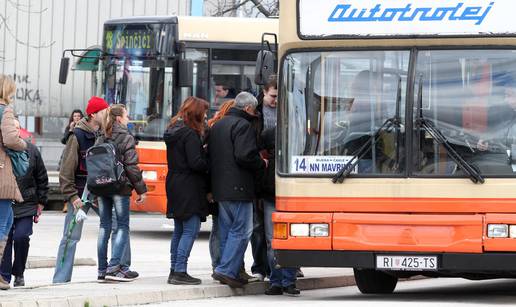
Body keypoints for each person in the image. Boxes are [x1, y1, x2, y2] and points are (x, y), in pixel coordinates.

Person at [53, 96, 135, 283]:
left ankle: (121, 268)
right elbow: (66, 171)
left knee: (119, 226)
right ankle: (60, 280)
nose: (107, 113)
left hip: (103, 192)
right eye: (103, 110)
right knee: (70, 237)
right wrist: (73, 197)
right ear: (93, 114)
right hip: (81, 195)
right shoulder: (77, 136)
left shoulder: (105, 133)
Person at [208, 92, 266, 288]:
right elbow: (245, 155)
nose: (255, 113)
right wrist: (261, 163)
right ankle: (226, 270)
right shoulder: (243, 125)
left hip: (220, 187)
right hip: (239, 187)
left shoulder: (218, 124)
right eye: (254, 109)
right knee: (242, 230)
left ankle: (224, 269)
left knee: (226, 230)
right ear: (248, 108)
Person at [96, 104, 147, 282]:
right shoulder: (126, 136)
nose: (128, 119)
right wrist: (141, 189)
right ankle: (114, 267)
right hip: (120, 187)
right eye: (126, 115)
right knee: (122, 227)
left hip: (101, 187)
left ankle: (102, 269)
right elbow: (131, 167)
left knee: (104, 227)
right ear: (119, 118)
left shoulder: (101, 136)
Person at [164, 97, 209, 285]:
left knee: (179, 229)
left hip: (174, 181)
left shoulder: (172, 130)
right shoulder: (189, 134)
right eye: (204, 112)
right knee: (190, 229)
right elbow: (195, 163)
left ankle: (174, 269)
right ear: (196, 113)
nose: (206, 116)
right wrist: (207, 157)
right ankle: (180, 271)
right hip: (189, 185)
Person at [0, 119, 47, 287]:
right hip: (7, 201)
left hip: (27, 203)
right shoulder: (2, 150)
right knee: (5, 240)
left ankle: (18, 272)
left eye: (17, 128)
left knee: (21, 237)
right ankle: (4, 277)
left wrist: (41, 202)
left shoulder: (31, 150)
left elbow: (42, 178)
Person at [0, 75, 27, 290]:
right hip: (2, 176)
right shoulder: (5, 110)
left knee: (7, 222)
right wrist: (23, 143)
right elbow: (10, 139)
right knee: (3, 225)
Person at [250, 76, 278, 281]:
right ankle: (260, 266)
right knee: (259, 228)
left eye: (278, 96)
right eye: (272, 96)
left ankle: (282, 268)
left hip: (278, 170)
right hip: (261, 172)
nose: (275, 100)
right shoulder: (256, 113)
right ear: (264, 93)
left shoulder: (290, 109)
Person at [60, 110, 84, 213]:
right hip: (68, 152)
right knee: (67, 177)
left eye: (78, 116)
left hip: (79, 157)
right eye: (75, 116)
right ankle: (66, 203)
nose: (77, 118)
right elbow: (64, 140)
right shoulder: (70, 128)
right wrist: (70, 129)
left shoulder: (84, 128)